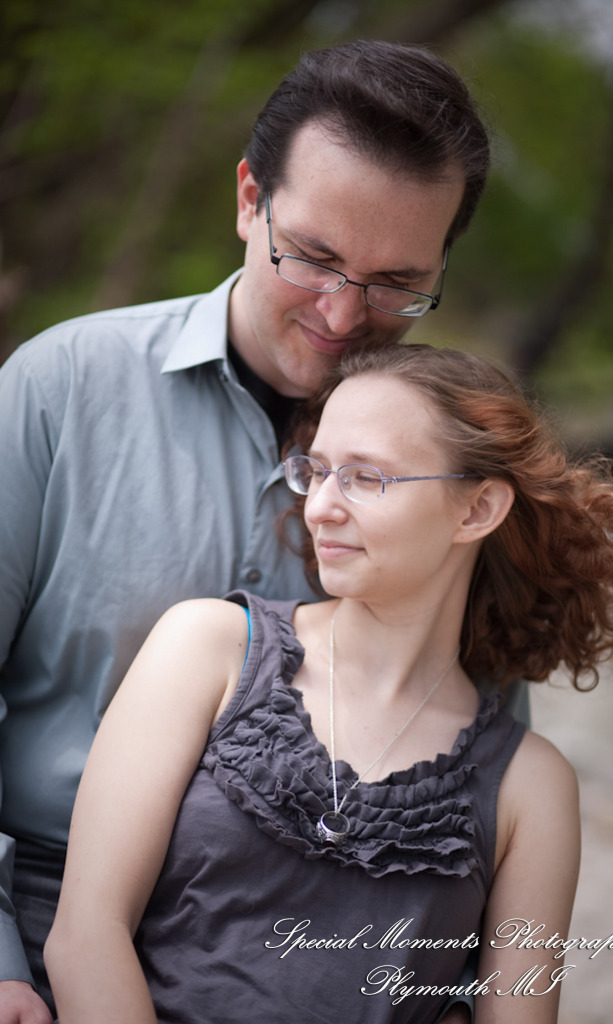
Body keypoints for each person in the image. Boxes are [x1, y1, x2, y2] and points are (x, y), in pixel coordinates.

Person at [0, 40, 492, 1023]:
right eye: (311, 256)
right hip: (42, 919)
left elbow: (470, 766)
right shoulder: (59, 389)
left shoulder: (450, 466)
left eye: (396, 281)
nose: (342, 313)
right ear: (247, 200)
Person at [44, 344, 613, 1024]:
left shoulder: (530, 786)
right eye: (316, 471)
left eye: (366, 477)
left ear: (477, 509)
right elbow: (85, 938)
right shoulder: (208, 648)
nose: (320, 508)